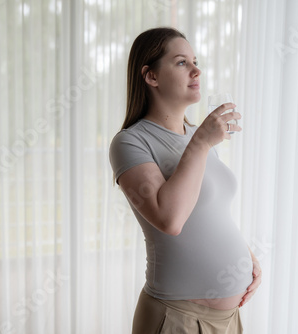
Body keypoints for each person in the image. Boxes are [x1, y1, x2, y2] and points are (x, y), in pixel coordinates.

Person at [109, 27, 262, 334]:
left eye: (195, 60)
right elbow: (170, 219)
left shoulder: (196, 135)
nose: (197, 70)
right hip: (176, 317)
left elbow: (210, 211)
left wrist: (247, 257)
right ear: (151, 76)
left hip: (230, 317)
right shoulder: (130, 143)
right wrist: (203, 142)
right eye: (181, 62)